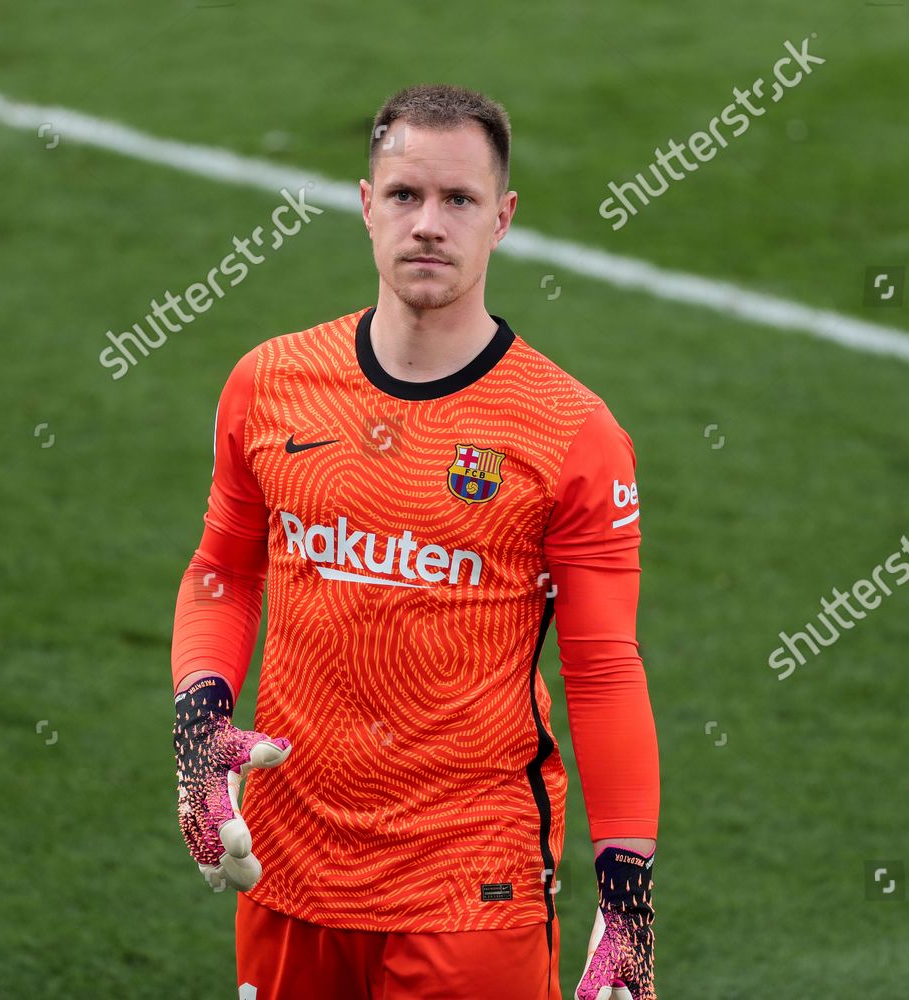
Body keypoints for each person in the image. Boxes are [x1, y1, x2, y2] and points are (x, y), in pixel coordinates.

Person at [171, 83, 660, 1000]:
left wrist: (627, 900)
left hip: (471, 881)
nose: (428, 224)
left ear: (502, 219)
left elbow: (602, 669)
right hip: (288, 861)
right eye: (405, 196)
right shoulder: (269, 383)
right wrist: (199, 729)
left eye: (458, 201)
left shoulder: (571, 433)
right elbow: (222, 569)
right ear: (365, 206)